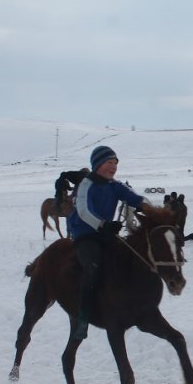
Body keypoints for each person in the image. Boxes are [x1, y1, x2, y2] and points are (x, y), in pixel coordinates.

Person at [68, 146, 145, 341]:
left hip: (106, 234)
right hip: (85, 233)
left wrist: (151, 210)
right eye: (109, 163)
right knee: (92, 267)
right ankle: (83, 317)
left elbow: (135, 198)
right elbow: (84, 211)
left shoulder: (115, 185)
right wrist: (104, 224)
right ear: (97, 165)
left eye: (115, 163)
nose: (113, 167)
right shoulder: (86, 184)